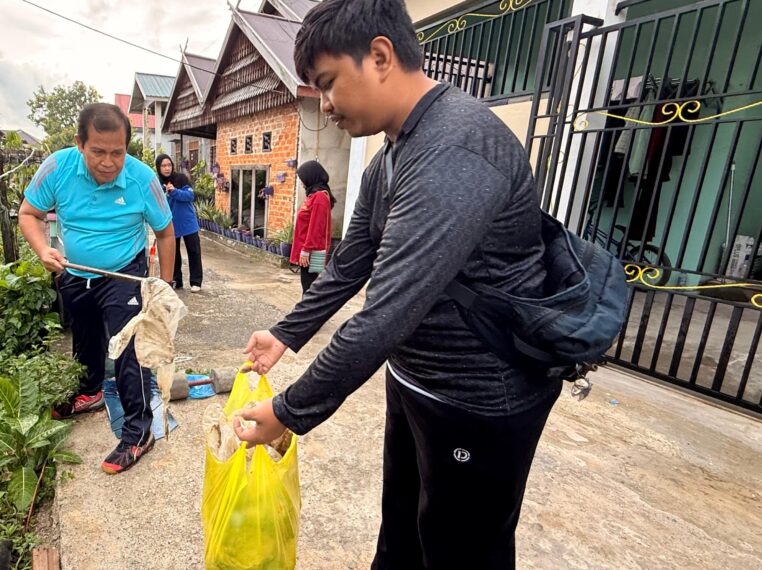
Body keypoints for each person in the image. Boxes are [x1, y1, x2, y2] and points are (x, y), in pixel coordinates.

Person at [234, 0, 559, 567]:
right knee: (404, 536)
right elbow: (349, 265)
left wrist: (289, 411)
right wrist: (285, 333)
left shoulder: (454, 148)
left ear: (380, 55)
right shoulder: (389, 158)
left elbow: (384, 315)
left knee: (460, 552)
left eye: (328, 83)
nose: (326, 104)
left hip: (477, 400)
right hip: (416, 382)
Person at [18, 103, 175, 475]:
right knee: (85, 335)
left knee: (128, 347)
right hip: (75, 269)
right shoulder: (57, 167)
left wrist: (163, 287)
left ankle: (138, 430)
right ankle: (89, 391)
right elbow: (29, 213)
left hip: (125, 272)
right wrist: (44, 250)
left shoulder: (141, 179)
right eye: (98, 152)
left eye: (117, 152)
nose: (108, 162)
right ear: (79, 144)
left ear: (127, 147)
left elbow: (167, 232)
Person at [156, 154, 204, 291]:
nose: (167, 168)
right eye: (163, 166)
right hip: (171, 224)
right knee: (174, 253)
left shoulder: (181, 179)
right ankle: (177, 280)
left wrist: (174, 191)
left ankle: (196, 282)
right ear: (159, 168)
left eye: (169, 165)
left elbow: (190, 196)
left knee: (194, 251)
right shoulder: (157, 183)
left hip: (188, 223)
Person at [291, 160, 335, 293]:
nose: (302, 183)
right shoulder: (314, 196)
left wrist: (306, 250)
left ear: (311, 177)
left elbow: (316, 227)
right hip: (308, 250)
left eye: (302, 179)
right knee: (308, 286)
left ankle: (307, 312)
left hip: (312, 252)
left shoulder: (320, 197)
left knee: (310, 288)